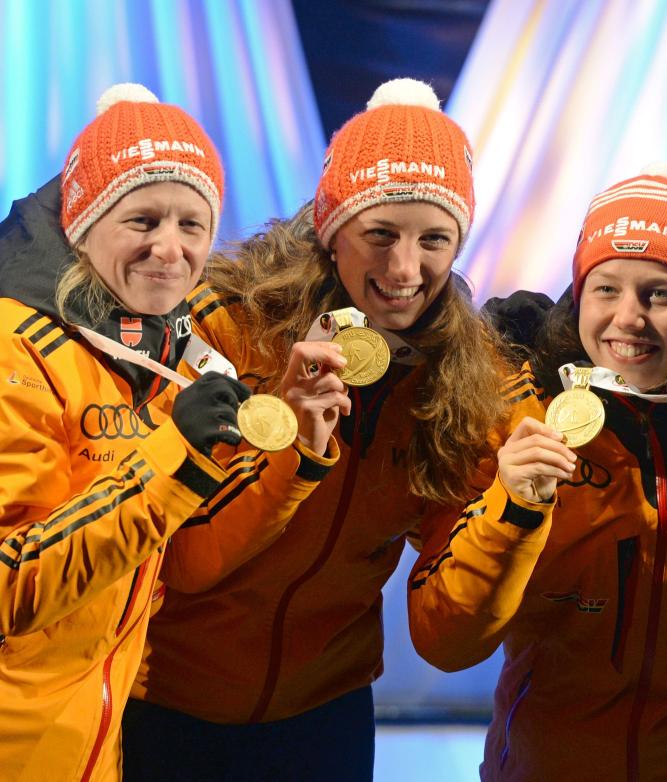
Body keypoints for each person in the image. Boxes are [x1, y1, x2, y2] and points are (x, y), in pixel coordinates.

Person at [119, 79, 512, 781]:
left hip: (324, 715)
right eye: (380, 234)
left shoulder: (460, 381)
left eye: (434, 240)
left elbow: (450, 629)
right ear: (331, 233)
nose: (403, 270)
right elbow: (181, 560)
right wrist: (293, 451)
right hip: (167, 700)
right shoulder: (225, 328)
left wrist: (521, 510)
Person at [409, 165, 667, 781]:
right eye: (606, 290)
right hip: (554, 761)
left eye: (660, 293)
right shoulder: (518, 410)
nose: (629, 318)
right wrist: (511, 507)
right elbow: (446, 641)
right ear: (579, 295)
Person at [0, 85, 341, 781]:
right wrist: (172, 460)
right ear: (83, 221)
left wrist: (298, 454)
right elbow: (11, 588)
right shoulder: (15, 350)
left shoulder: (151, 354)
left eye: (193, 224)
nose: (170, 249)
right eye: (143, 220)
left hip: (89, 747)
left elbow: (184, 563)